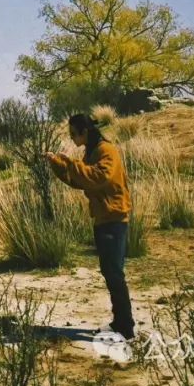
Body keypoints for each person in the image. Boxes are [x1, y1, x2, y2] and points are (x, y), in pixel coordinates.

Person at [45, 114, 135, 339]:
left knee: (114, 273)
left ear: (85, 131)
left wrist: (69, 163)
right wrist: (58, 164)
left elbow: (97, 177)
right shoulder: (92, 153)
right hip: (104, 217)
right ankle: (121, 322)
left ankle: (126, 326)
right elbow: (80, 180)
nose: (72, 138)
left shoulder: (107, 151)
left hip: (114, 217)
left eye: (74, 134)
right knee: (110, 272)